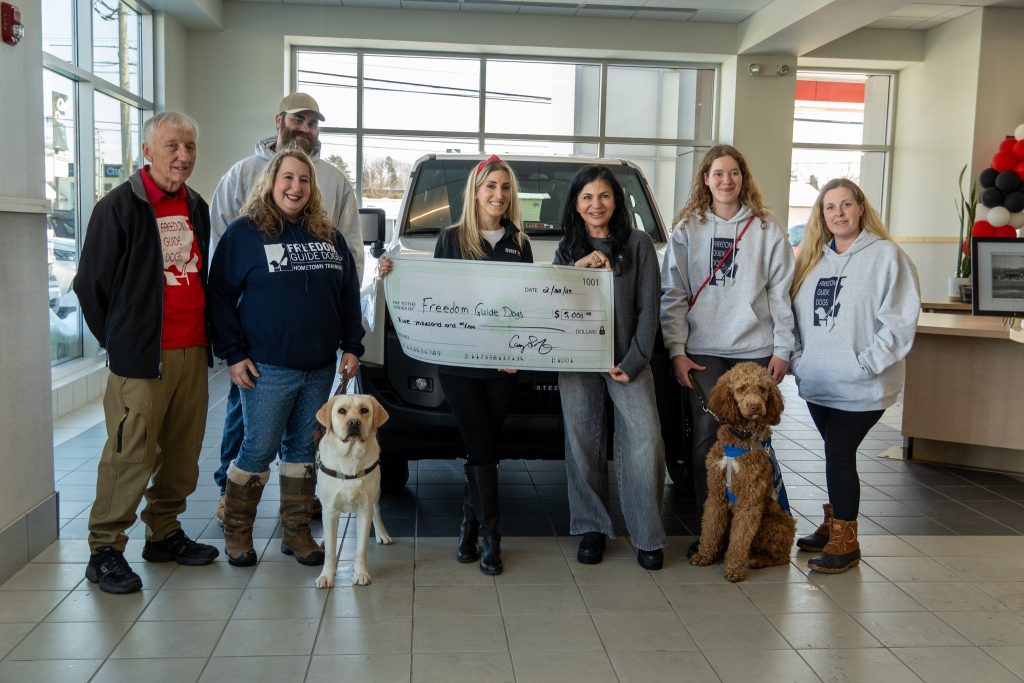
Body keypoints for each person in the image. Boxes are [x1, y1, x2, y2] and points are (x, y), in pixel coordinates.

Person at [73, 112, 219, 595]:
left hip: (192, 349)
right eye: (172, 146)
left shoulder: (195, 205)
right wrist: (120, 339)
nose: (183, 156)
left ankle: (164, 533)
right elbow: (90, 285)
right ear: (148, 151)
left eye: (190, 147)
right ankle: (105, 550)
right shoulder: (119, 206)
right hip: (141, 359)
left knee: (182, 452)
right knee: (130, 454)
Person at [207, 148, 364, 567]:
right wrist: (234, 354)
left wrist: (352, 345)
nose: (296, 187)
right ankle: (237, 530)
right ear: (271, 182)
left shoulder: (328, 236)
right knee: (257, 449)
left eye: (304, 180)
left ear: (313, 188)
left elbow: (348, 296)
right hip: (267, 368)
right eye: (288, 178)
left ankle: (296, 532)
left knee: (302, 451)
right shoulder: (244, 234)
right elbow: (219, 296)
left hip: (319, 367)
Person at [379, 155, 531, 574]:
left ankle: (469, 528)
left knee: (484, 447)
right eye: (491, 187)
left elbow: (525, 303)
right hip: (459, 366)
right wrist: (392, 271)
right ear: (476, 193)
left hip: (502, 367)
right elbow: (436, 293)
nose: (499, 194)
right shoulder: (450, 239)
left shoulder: (520, 243)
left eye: (505, 187)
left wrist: (516, 352)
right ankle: (491, 540)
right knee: (482, 446)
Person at [659, 144, 796, 557]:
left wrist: (783, 348)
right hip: (703, 350)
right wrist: (676, 349)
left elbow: (781, 294)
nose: (726, 180)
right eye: (718, 173)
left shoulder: (767, 229)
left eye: (733, 172)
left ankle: (752, 527)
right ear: (705, 179)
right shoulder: (687, 230)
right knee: (707, 438)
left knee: (754, 440)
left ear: (743, 178)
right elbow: (673, 293)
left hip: (754, 347)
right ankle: (712, 532)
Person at [790, 178, 920, 573]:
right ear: (822, 214)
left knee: (839, 453)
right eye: (830, 207)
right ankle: (835, 524)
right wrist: (800, 361)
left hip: (863, 385)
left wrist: (865, 364)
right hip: (818, 383)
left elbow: (899, 322)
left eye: (846, 204)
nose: (839, 213)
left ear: (861, 208)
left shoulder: (886, 256)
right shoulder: (811, 259)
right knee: (835, 453)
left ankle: (846, 542)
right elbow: (792, 317)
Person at [555, 164, 666, 571]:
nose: (596, 204)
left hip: (627, 360)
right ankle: (592, 528)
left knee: (646, 440)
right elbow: (552, 302)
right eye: (587, 197)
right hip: (578, 361)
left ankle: (647, 534)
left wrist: (634, 360)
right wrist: (577, 270)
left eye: (603, 195)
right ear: (576, 205)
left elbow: (648, 309)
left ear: (616, 201)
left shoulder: (639, 244)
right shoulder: (567, 248)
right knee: (582, 442)